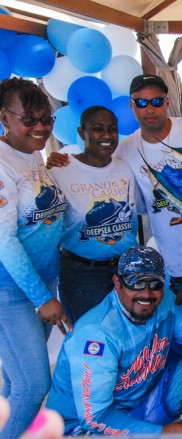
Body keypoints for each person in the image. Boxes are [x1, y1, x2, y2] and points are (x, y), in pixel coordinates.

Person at [47, 74, 182, 319]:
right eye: (142, 102)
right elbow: (100, 173)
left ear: (167, 102)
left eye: (156, 101)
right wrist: (61, 161)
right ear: (132, 105)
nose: (150, 108)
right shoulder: (125, 151)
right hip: (178, 264)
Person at [46, 246, 182, 435]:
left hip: (140, 401)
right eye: (136, 283)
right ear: (117, 282)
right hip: (83, 428)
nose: (146, 294)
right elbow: (95, 418)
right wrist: (162, 433)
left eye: (155, 284)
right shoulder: (96, 334)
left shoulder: (166, 300)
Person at [0, 77, 72, 438]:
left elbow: (40, 216)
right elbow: (4, 241)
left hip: (41, 281)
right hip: (11, 290)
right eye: (29, 120)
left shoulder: (32, 153)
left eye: (47, 119)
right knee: (32, 386)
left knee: (15, 383)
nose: (41, 128)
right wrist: (42, 298)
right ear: (4, 118)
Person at [49, 106, 138, 323]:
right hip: (82, 274)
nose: (107, 135)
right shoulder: (59, 170)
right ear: (82, 133)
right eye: (98, 129)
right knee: (89, 334)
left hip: (126, 267)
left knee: (132, 332)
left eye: (112, 129)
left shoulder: (126, 168)